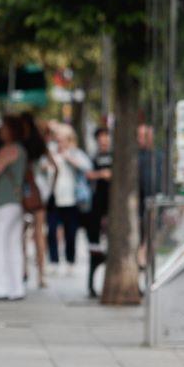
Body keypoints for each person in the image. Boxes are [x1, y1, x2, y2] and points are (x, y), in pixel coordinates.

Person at [0, 114, 28, 300]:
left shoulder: (9, 149)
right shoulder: (22, 150)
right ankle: (15, 287)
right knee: (13, 245)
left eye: (3, 127)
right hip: (17, 203)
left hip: (4, 203)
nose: (0, 130)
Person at [46, 126, 91, 275]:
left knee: (70, 232)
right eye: (57, 140)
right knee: (52, 230)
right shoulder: (51, 153)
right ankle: (53, 261)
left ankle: (70, 261)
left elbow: (87, 167)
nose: (59, 143)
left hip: (71, 199)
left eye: (62, 140)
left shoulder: (75, 153)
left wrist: (68, 158)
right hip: (53, 198)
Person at [22, 112, 54, 289]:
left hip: (25, 191)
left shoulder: (21, 146)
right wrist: (50, 189)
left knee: (22, 234)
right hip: (40, 192)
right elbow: (55, 168)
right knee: (39, 234)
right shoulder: (42, 146)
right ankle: (41, 275)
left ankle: (24, 269)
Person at [85, 125, 113, 297]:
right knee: (94, 248)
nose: (103, 140)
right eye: (100, 137)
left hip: (112, 209)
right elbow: (87, 174)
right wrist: (100, 174)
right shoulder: (92, 157)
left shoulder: (116, 156)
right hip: (96, 208)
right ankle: (90, 284)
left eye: (106, 136)